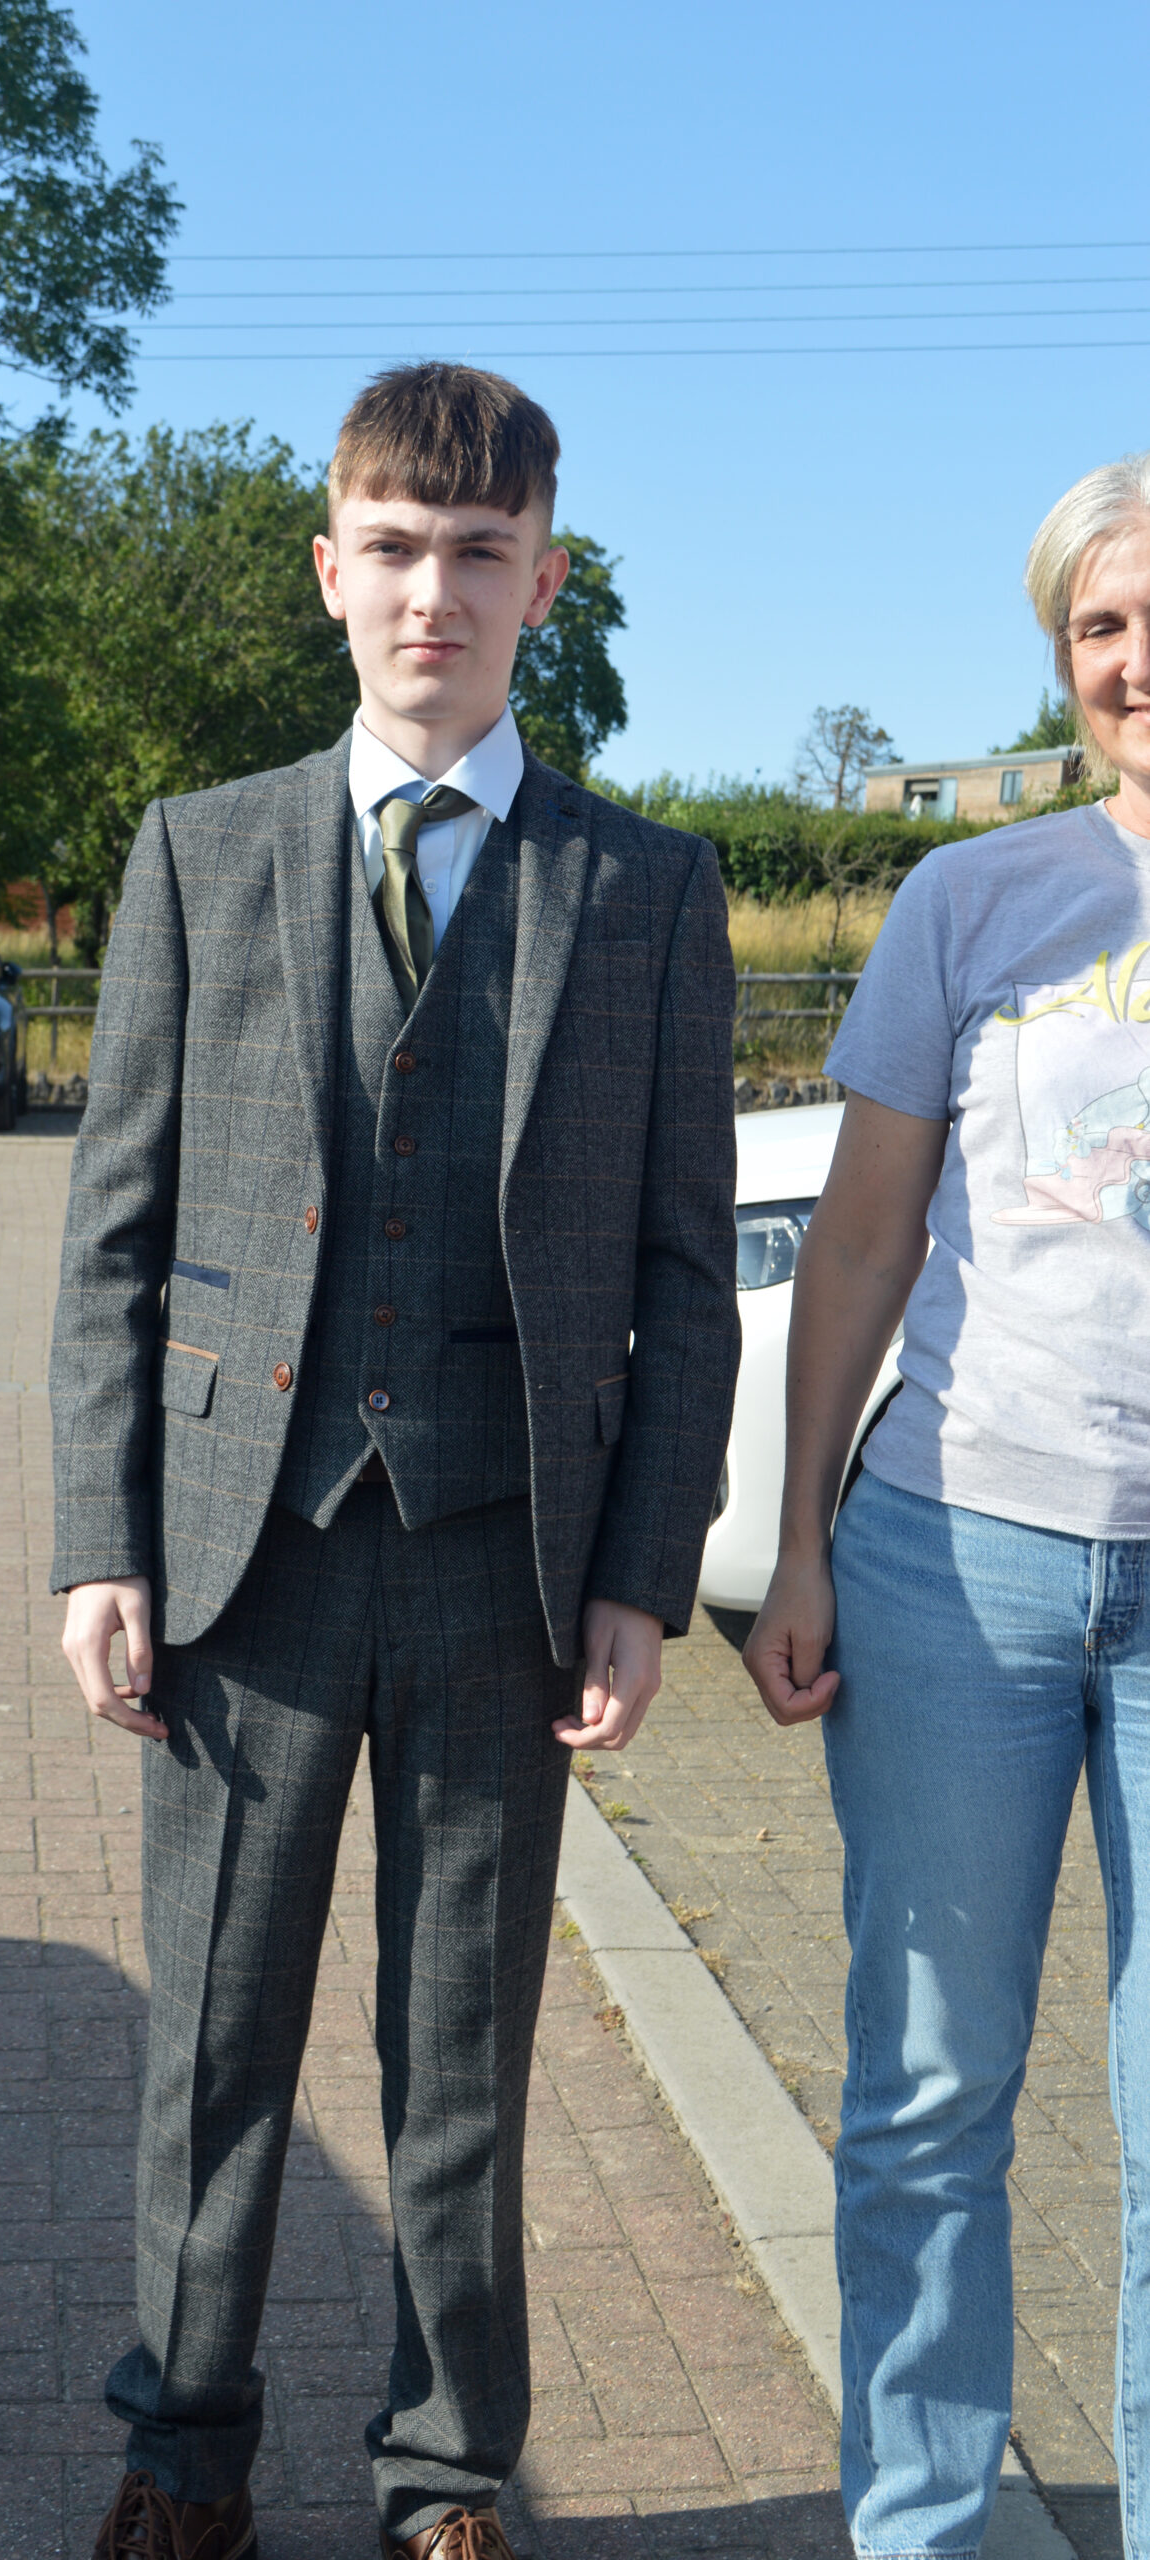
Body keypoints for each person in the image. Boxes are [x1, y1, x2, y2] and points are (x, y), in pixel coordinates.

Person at [49, 362, 741, 2560]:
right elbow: (117, 1232)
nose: (431, 590)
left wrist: (638, 1573)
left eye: (477, 552)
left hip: (494, 1559)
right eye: (392, 547)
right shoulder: (203, 847)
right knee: (211, 2045)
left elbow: (682, 1274)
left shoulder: (645, 889)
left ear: (543, 579)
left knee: (460, 2055)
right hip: (237, 1554)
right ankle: (182, 2457)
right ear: (327, 568)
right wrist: (97, 1541)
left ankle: (444, 2472)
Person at [744, 450, 1150, 2560]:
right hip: (951, 1558)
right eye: (1100, 624)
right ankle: (919, 2529)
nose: (1133, 659)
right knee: (922, 2098)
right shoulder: (969, 900)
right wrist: (797, 1541)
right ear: (1059, 655)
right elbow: (859, 1238)